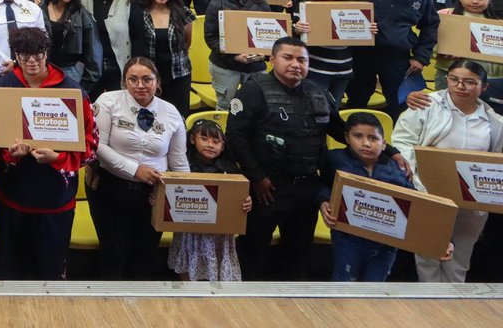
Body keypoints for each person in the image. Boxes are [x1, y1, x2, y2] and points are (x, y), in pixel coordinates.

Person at [227, 37, 409, 281]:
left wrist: (390, 151)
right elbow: (236, 138)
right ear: (272, 60)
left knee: (298, 254)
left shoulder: (318, 92)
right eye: (288, 58)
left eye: (302, 59)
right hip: (267, 187)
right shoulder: (253, 89)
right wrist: (257, 178)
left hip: (307, 188)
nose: (296, 64)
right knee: (254, 252)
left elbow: (344, 131)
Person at [0, 27, 97, 280]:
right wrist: (11, 155)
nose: (31, 62)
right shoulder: (2, 87)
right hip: (11, 199)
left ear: (47, 53)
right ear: (15, 55)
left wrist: (57, 158)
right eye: (24, 55)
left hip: (55, 202)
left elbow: (91, 147)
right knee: (11, 270)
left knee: (50, 273)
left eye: (38, 54)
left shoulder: (73, 92)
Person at [394, 60, 503, 282]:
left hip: (472, 197)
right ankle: (431, 301)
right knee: (428, 251)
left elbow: (496, 160)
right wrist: (416, 178)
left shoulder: (494, 121)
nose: (460, 86)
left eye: (470, 82)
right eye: (454, 79)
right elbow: (402, 141)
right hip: (429, 189)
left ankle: (454, 303)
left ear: (484, 87)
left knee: (461, 253)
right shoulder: (425, 104)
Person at [88, 56, 188, 280]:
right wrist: (135, 170)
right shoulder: (108, 101)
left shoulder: (171, 112)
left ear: (157, 82)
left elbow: (179, 161)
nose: (140, 85)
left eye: (146, 79)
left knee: (145, 256)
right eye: (132, 79)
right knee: (114, 252)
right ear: (125, 81)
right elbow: (97, 146)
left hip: (153, 194)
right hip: (110, 189)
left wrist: (181, 194)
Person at [318, 112, 420, 282]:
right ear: (347, 138)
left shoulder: (396, 168)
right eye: (358, 136)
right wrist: (323, 202)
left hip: (386, 244)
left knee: (376, 286)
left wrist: (442, 240)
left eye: (373, 138)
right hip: (348, 240)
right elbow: (322, 185)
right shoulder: (335, 159)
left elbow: (416, 202)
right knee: (344, 283)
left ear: (384, 143)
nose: (366, 143)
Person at [349, 0, 439, 117]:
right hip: (361, 56)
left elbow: (431, 25)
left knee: (401, 107)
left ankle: (397, 143)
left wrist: (421, 57)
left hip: (398, 58)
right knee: (356, 102)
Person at [167, 118, 252, 281]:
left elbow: (240, 197)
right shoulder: (183, 167)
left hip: (219, 234)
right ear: (192, 139)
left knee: (218, 265)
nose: (210, 144)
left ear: (223, 146)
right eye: (204, 139)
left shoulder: (231, 170)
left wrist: (246, 201)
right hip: (190, 231)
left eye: (216, 141)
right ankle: (187, 297)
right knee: (188, 262)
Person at [203, 0, 271, 111]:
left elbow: (270, 35)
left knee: (258, 107)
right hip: (226, 64)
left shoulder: (261, 3)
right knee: (226, 106)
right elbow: (211, 38)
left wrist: (264, 54)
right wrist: (233, 55)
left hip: (256, 65)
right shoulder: (216, 4)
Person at [128, 0, 195, 117]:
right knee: (151, 115)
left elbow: (187, 42)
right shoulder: (139, 12)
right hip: (149, 76)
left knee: (177, 116)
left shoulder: (182, 12)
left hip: (178, 74)